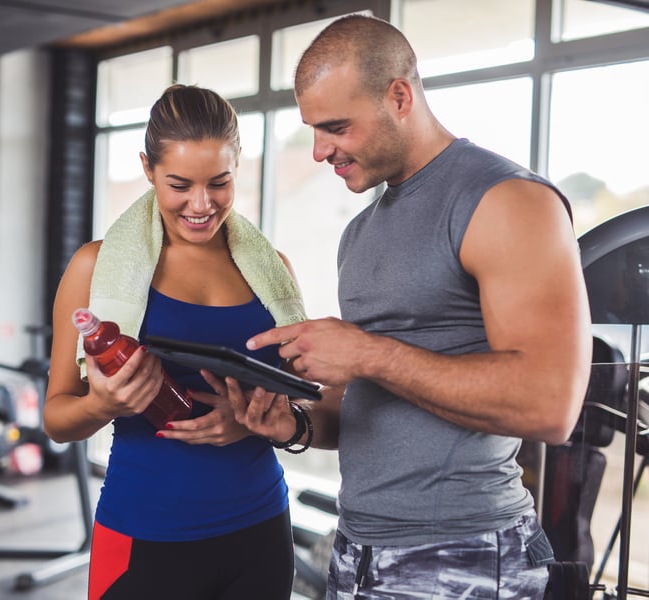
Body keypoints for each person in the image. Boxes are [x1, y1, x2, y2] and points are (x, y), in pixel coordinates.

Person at [229, 14, 593, 599]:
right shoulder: (360, 232)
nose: (320, 150)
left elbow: (550, 403)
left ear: (400, 96)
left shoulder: (507, 201)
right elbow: (369, 401)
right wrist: (295, 423)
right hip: (358, 551)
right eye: (313, 130)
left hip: (465, 554)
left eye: (336, 127)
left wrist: (368, 353)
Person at [44, 83, 311, 600]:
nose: (201, 204)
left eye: (220, 183)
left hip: (260, 529)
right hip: (146, 533)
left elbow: (299, 391)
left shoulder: (273, 271)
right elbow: (57, 418)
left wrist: (250, 418)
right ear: (147, 168)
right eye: (179, 184)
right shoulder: (96, 268)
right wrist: (103, 403)